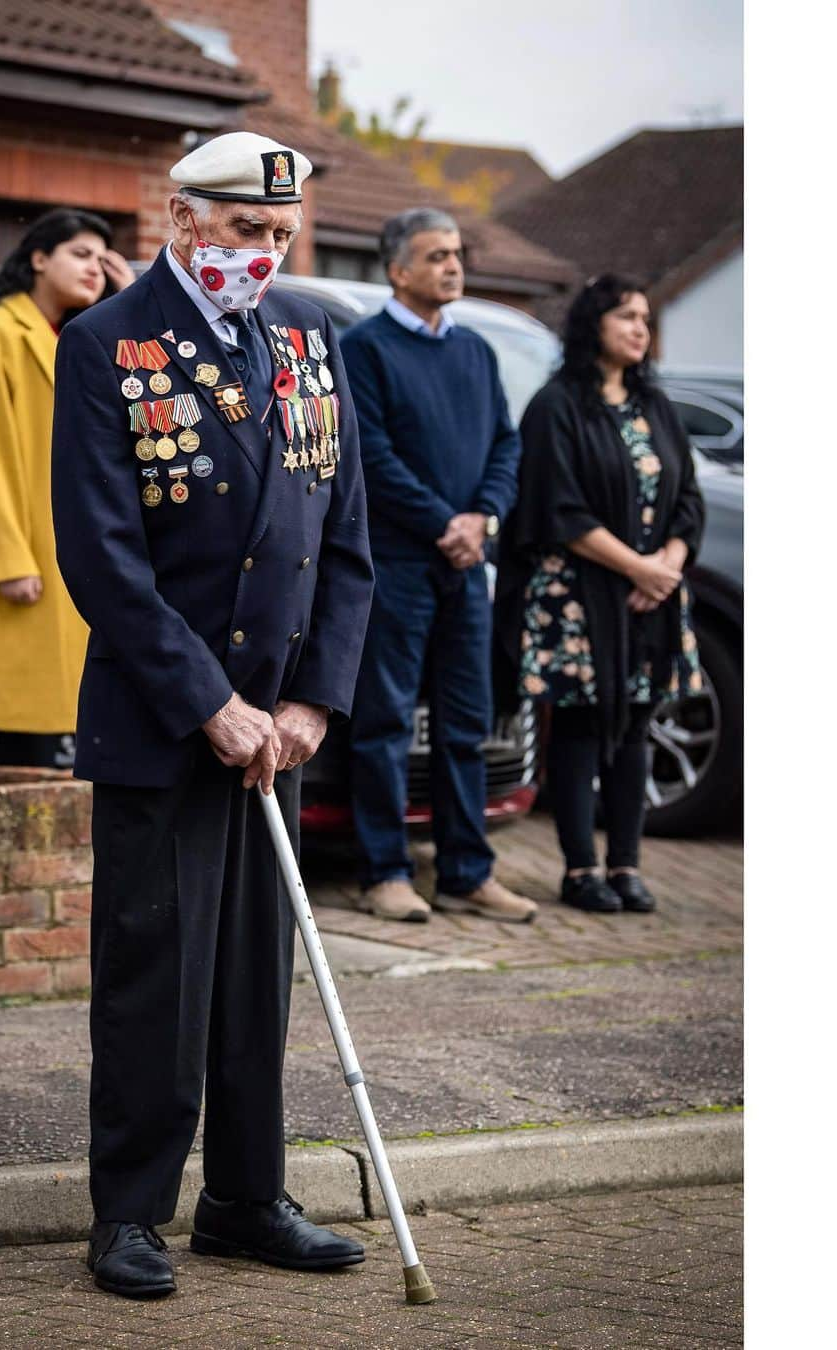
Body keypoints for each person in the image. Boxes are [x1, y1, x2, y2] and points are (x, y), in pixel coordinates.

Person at [50, 132, 375, 1300]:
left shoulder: (308, 337)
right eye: (246, 230)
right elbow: (103, 557)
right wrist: (212, 704)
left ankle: (246, 1199)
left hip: (275, 730)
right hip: (165, 720)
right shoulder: (105, 345)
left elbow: (345, 539)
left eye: (281, 234)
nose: (266, 252)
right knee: (156, 973)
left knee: (253, 978)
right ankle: (130, 1214)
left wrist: (310, 699)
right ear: (183, 220)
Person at [340, 208, 538, 925]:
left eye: (456, 254)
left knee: (465, 723)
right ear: (397, 270)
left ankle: (465, 873)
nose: (452, 266)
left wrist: (482, 517)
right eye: (435, 256)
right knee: (384, 723)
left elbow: (505, 446)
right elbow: (372, 455)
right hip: (396, 564)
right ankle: (384, 872)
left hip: (465, 562)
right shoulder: (364, 349)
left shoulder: (476, 352)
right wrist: (442, 522)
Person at [493, 274, 705, 914]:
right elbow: (557, 508)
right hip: (579, 598)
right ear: (593, 327)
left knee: (637, 727)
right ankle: (581, 868)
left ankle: (627, 866)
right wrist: (638, 569)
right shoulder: (558, 405)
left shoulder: (655, 407)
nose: (640, 328)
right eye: (626, 317)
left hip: (651, 599)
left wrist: (664, 566)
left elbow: (687, 502)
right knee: (580, 730)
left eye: (645, 318)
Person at [0, 207, 134, 768]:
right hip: (24, 560)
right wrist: (6, 561)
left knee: (71, 717)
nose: (94, 268)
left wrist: (128, 303)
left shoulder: (90, 335)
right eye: (80, 254)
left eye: (103, 259)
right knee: (23, 726)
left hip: (77, 549)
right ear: (38, 258)